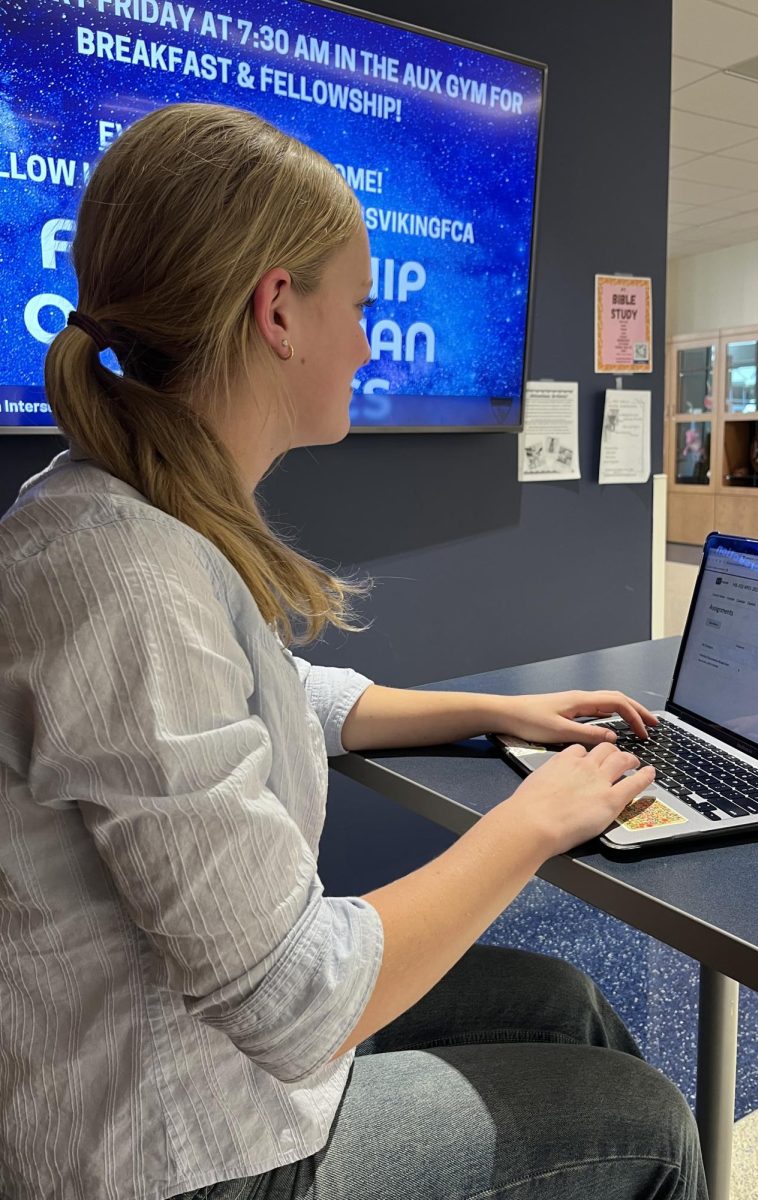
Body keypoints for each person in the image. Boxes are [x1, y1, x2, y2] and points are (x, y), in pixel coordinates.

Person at [0, 103, 707, 1200]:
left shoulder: (127, 517)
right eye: (363, 305)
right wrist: (533, 825)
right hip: (175, 1147)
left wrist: (493, 714)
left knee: (563, 1001)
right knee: (652, 1129)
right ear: (278, 308)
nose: (373, 341)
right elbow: (294, 998)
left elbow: (272, 693)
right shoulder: (121, 578)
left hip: (209, 1058)